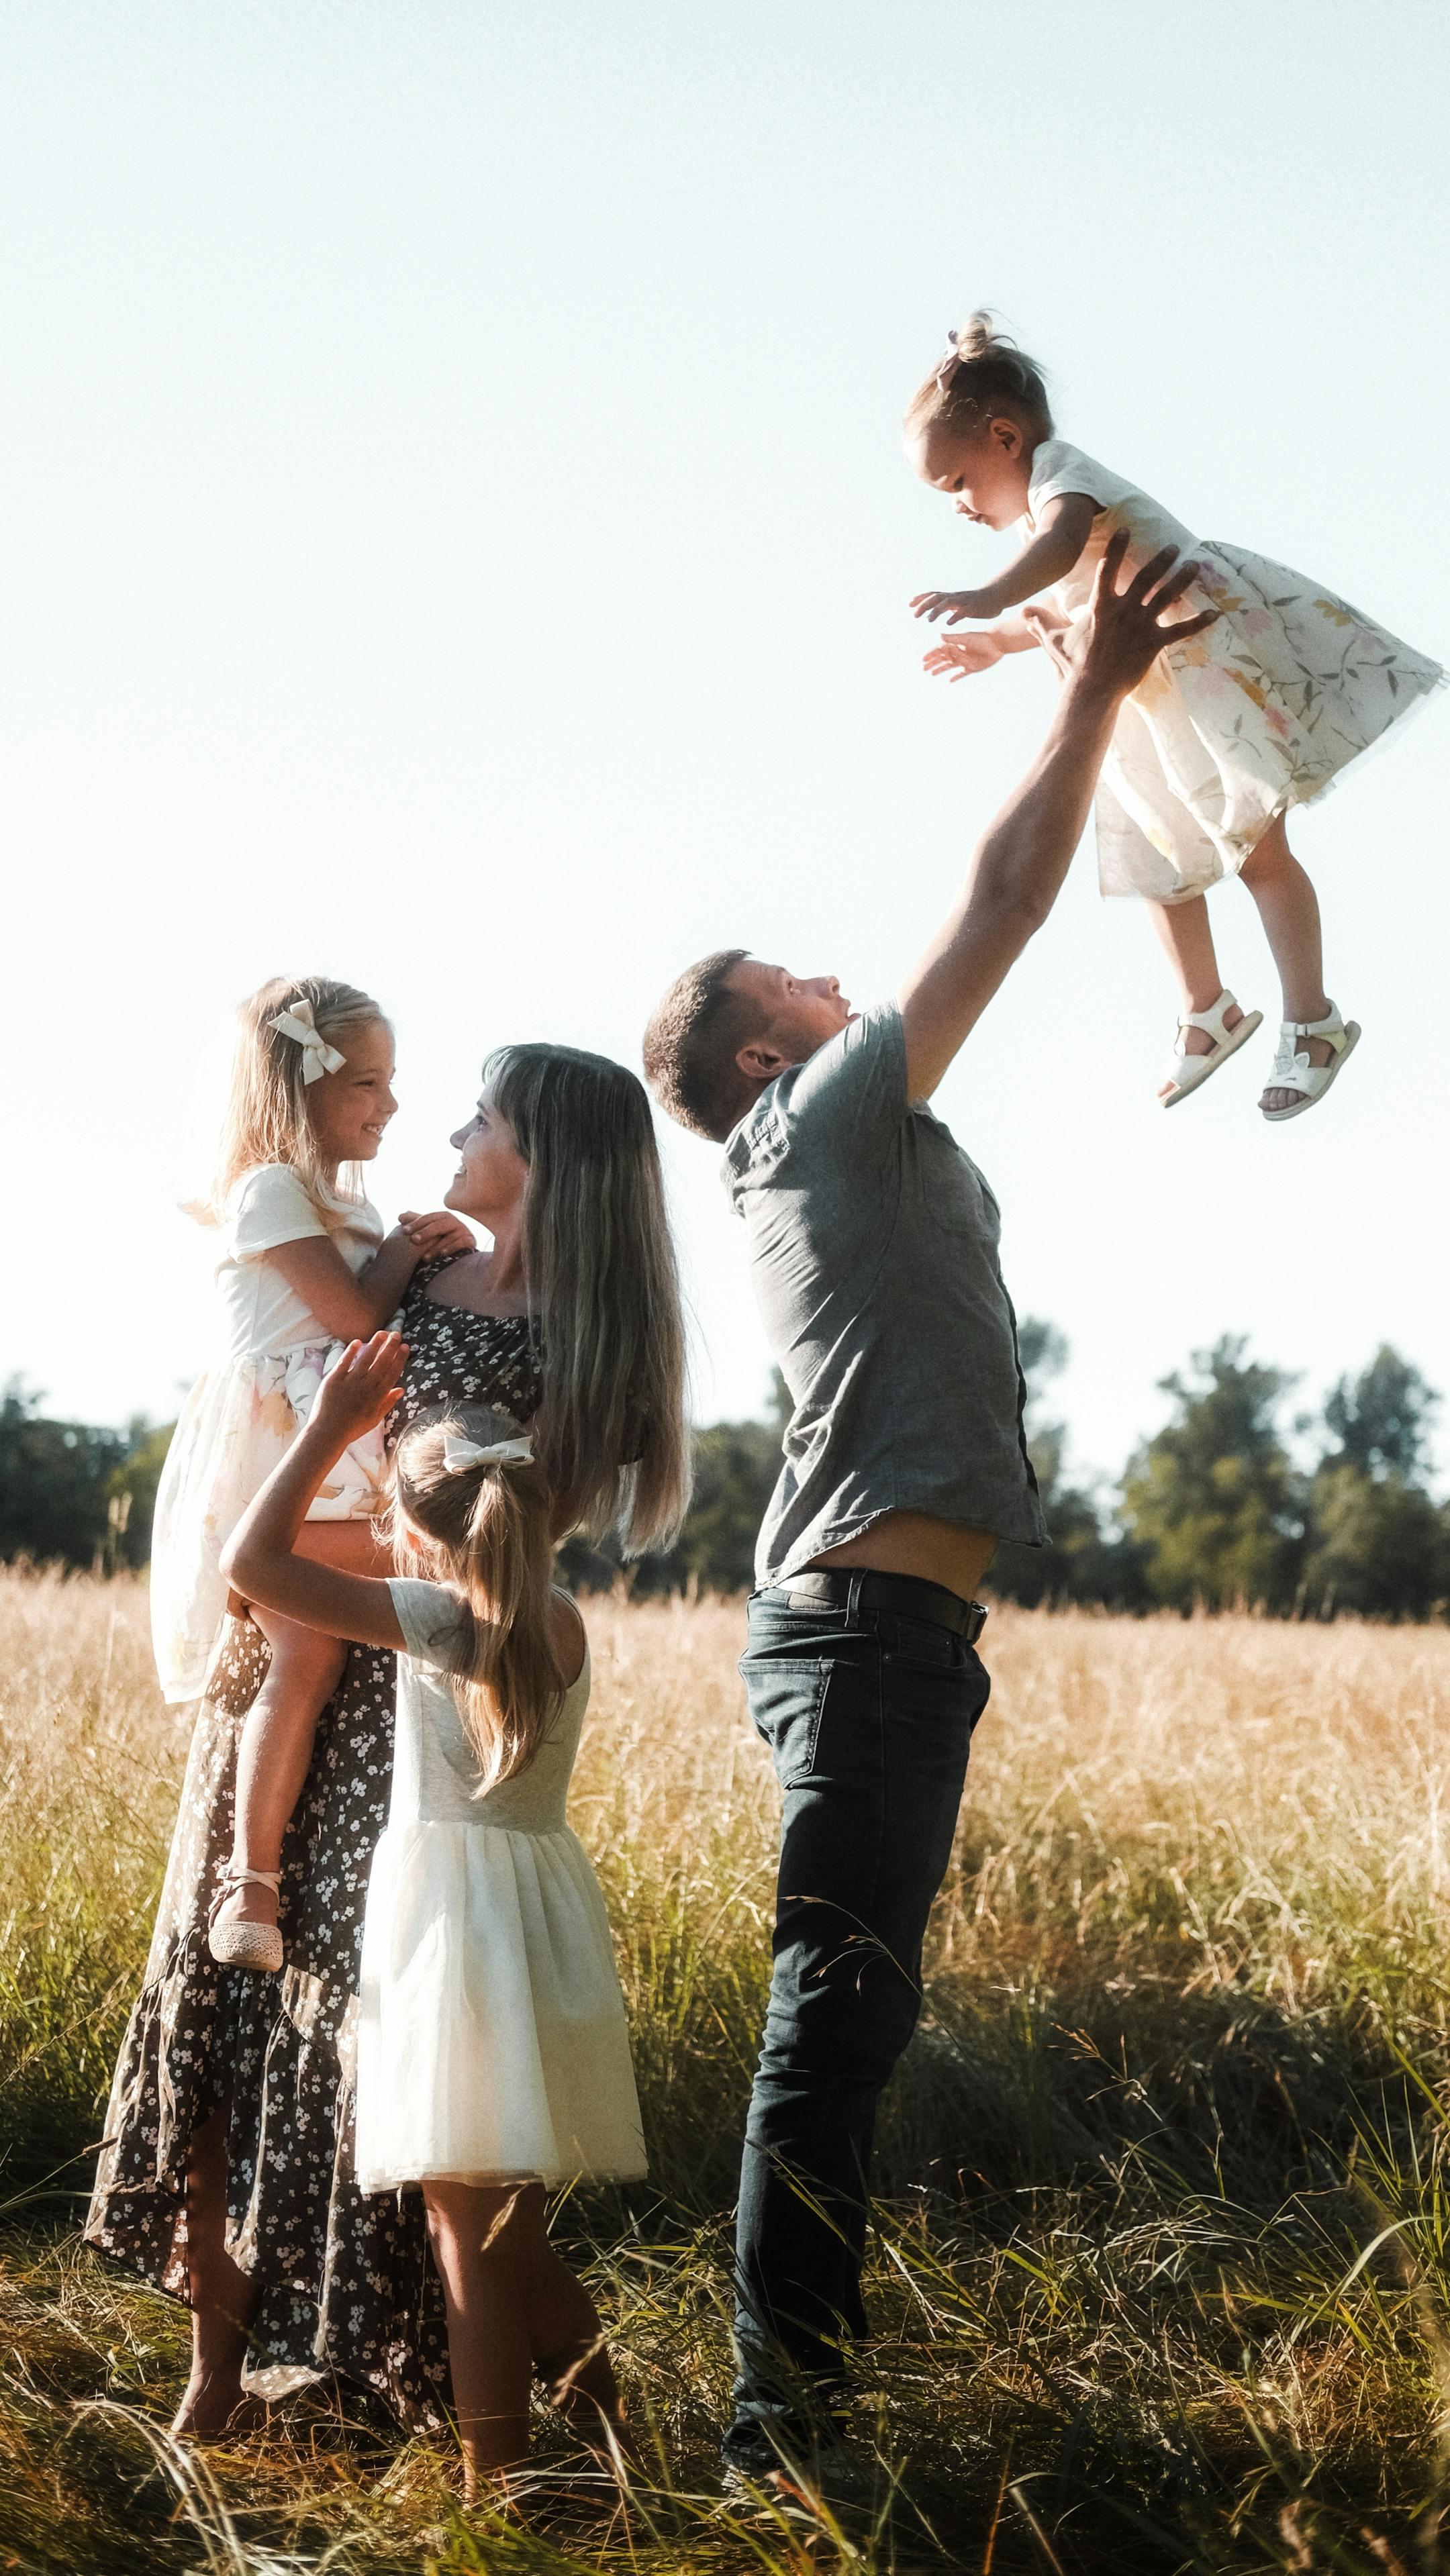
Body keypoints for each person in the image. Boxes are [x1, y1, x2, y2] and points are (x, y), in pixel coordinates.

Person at [642, 534, 1214, 2498]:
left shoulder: (855, 1137)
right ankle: (772, 2429)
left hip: (902, 1639)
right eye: (793, 975)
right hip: (861, 1638)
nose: (833, 973)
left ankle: (797, 2392)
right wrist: (1090, 687)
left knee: (854, 2022)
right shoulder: (810, 1121)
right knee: (832, 2024)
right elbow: (999, 898)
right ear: (752, 1052)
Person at [87, 1043, 688, 2444]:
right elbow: (286, 1353)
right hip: (306, 1667)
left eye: (481, 1116)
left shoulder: (583, 1336)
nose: (452, 1133)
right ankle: (218, 2366)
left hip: (410, 1719)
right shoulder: (416, 1274)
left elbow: (495, 1537)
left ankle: (395, 2375)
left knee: (382, 2062)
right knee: (232, 2012)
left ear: (538, 1152)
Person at [220, 1332, 646, 2498]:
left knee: (471, 2232)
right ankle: (624, 2435)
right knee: (504, 2218)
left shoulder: (433, 1615)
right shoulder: (558, 1617)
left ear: (412, 1530)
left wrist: (327, 1426)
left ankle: (487, 2492)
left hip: (454, 1929)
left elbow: (253, 1559)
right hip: (536, 1913)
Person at [908, 313, 1443, 1118]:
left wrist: (987, 593)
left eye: (955, 481)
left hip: (1198, 676)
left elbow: (1061, 544)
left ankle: (1314, 1020)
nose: (956, 504)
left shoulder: (1060, 476)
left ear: (1005, 437)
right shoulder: (1037, 516)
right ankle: (1208, 1011)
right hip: (1139, 702)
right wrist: (997, 640)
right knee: (1155, 860)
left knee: (1258, 851)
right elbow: (1061, 596)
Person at [149, 973, 471, 1972]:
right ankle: (252, 1879)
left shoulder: (342, 1201)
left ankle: (274, 1874)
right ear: (300, 1088)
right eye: (367, 1082)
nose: (391, 1104)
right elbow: (349, 1317)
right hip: (288, 1446)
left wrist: (438, 1248)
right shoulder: (269, 1187)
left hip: (345, 1447)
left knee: (333, 1647)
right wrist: (407, 1255)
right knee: (308, 1656)